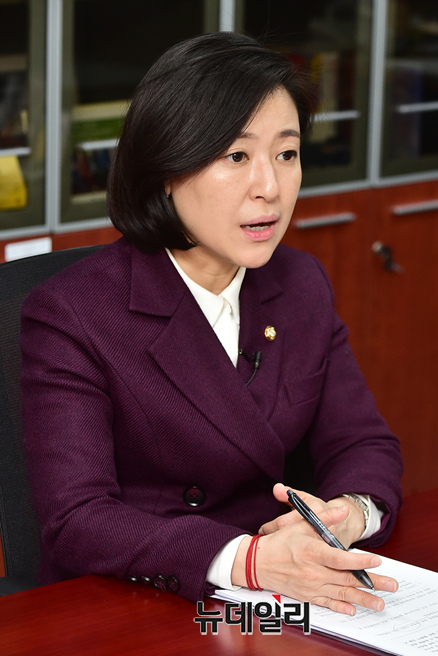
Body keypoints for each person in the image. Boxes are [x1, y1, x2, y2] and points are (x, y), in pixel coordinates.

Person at [20, 32, 403, 617]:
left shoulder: (301, 283)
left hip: (283, 597)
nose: (269, 188)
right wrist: (246, 560)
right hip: (138, 601)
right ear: (165, 169)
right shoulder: (73, 312)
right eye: (236, 157)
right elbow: (77, 518)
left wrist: (346, 514)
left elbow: (363, 442)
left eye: (286, 154)